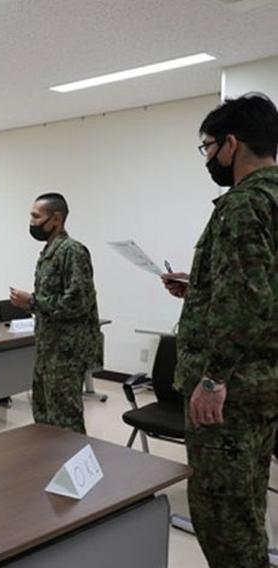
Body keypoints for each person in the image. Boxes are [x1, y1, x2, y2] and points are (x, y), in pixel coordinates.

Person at [161, 93, 278, 568]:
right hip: (265, 382)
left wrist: (213, 379)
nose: (207, 157)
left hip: (231, 391)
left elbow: (246, 300)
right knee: (249, 500)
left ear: (231, 144)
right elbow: (264, 291)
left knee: (222, 516)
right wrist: (201, 288)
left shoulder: (242, 206)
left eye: (208, 146)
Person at [9, 193, 102, 434]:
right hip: (48, 348)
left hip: (66, 353)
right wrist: (33, 303)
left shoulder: (72, 251)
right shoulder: (50, 251)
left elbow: (77, 303)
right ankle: (49, 466)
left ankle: (74, 469)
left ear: (56, 219)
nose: (31, 222)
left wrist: (31, 301)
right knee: (43, 414)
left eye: (36, 216)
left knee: (65, 420)